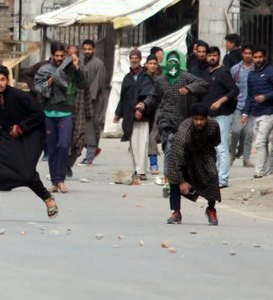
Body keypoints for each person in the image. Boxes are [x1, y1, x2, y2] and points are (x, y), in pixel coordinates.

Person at [0, 65, 58, 221]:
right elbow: (4, 122)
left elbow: (39, 113)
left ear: (8, 81)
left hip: (31, 135)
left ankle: (48, 199)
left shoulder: (18, 95)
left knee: (26, 173)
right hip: (9, 135)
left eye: (3, 80)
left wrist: (21, 127)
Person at [136, 51, 209, 195]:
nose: (172, 66)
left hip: (184, 121)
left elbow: (203, 84)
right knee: (169, 149)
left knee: (183, 153)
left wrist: (189, 89)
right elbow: (153, 98)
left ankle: (184, 181)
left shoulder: (186, 77)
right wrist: (143, 105)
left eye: (175, 63)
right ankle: (168, 181)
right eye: (170, 63)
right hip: (167, 121)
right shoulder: (161, 81)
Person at [36, 42, 83, 193]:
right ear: (52, 55)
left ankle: (61, 178)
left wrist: (76, 67)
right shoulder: (44, 69)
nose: (59, 58)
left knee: (63, 145)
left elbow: (84, 84)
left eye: (62, 56)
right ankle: (55, 181)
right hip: (49, 112)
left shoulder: (70, 69)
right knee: (52, 148)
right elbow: (38, 87)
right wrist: (50, 81)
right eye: (57, 56)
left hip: (66, 112)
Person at [165, 104, 221, 226]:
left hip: (204, 153)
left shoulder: (213, 126)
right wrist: (181, 181)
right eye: (196, 119)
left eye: (202, 119)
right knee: (174, 178)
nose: (199, 122)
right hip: (184, 155)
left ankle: (211, 209)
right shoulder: (184, 131)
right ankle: (176, 212)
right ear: (192, 118)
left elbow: (216, 141)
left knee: (212, 175)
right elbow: (176, 159)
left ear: (207, 119)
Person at [243, 47, 273, 179]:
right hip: (256, 113)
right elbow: (250, 95)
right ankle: (266, 171)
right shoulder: (251, 74)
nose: (257, 60)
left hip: (269, 112)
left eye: (260, 57)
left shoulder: (271, 71)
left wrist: (265, 97)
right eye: (255, 57)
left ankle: (258, 172)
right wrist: (245, 113)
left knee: (260, 142)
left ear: (265, 57)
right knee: (262, 142)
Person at [201, 46, 239, 188]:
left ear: (219, 56)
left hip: (221, 116)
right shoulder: (205, 73)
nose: (212, 58)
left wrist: (220, 101)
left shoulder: (223, 72)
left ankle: (223, 179)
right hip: (207, 117)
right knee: (211, 149)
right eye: (209, 55)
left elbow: (235, 90)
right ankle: (212, 177)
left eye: (214, 55)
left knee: (222, 148)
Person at [114, 48, 153, 185]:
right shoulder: (127, 77)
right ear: (130, 59)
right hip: (129, 116)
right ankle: (136, 169)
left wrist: (140, 109)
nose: (134, 60)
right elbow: (123, 97)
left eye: (136, 58)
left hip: (142, 117)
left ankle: (142, 171)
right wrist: (118, 113)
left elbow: (147, 94)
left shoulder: (145, 76)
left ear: (140, 59)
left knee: (142, 144)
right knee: (133, 145)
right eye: (132, 58)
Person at [76, 39, 107, 166]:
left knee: (92, 128)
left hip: (94, 102)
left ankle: (89, 157)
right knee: (80, 129)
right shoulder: (81, 62)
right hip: (81, 101)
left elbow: (96, 85)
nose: (87, 51)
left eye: (90, 49)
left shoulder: (98, 64)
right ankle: (93, 151)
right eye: (85, 49)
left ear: (94, 49)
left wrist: (88, 99)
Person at [229, 45, 256, 167]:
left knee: (249, 133)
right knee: (235, 132)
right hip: (238, 106)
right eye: (246, 53)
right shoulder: (235, 69)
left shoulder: (256, 69)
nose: (248, 55)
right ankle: (231, 155)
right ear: (242, 54)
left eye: (250, 53)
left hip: (252, 107)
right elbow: (230, 86)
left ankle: (246, 158)